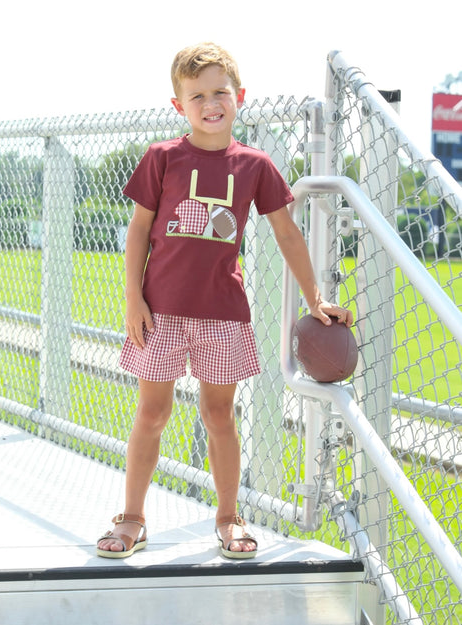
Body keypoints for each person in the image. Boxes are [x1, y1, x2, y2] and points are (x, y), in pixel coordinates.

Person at [97, 42, 353, 560]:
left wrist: (316, 297)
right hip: (160, 311)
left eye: (220, 92)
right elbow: (139, 231)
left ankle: (228, 518)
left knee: (219, 416)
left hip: (222, 314)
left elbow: (287, 235)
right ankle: (132, 518)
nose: (210, 104)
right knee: (152, 412)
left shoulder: (254, 165)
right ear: (179, 105)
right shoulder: (162, 157)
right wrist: (132, 299)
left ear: (239, 96)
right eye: (197, 95)